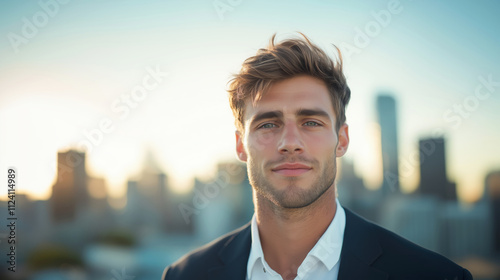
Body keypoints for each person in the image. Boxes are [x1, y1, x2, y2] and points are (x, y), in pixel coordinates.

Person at [162, 33, 473, 280]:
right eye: (268, 124)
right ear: (241, 146)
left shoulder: (433, 275)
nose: (290, 143)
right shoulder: (186, 275)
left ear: (342, 140)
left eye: (311, 122)